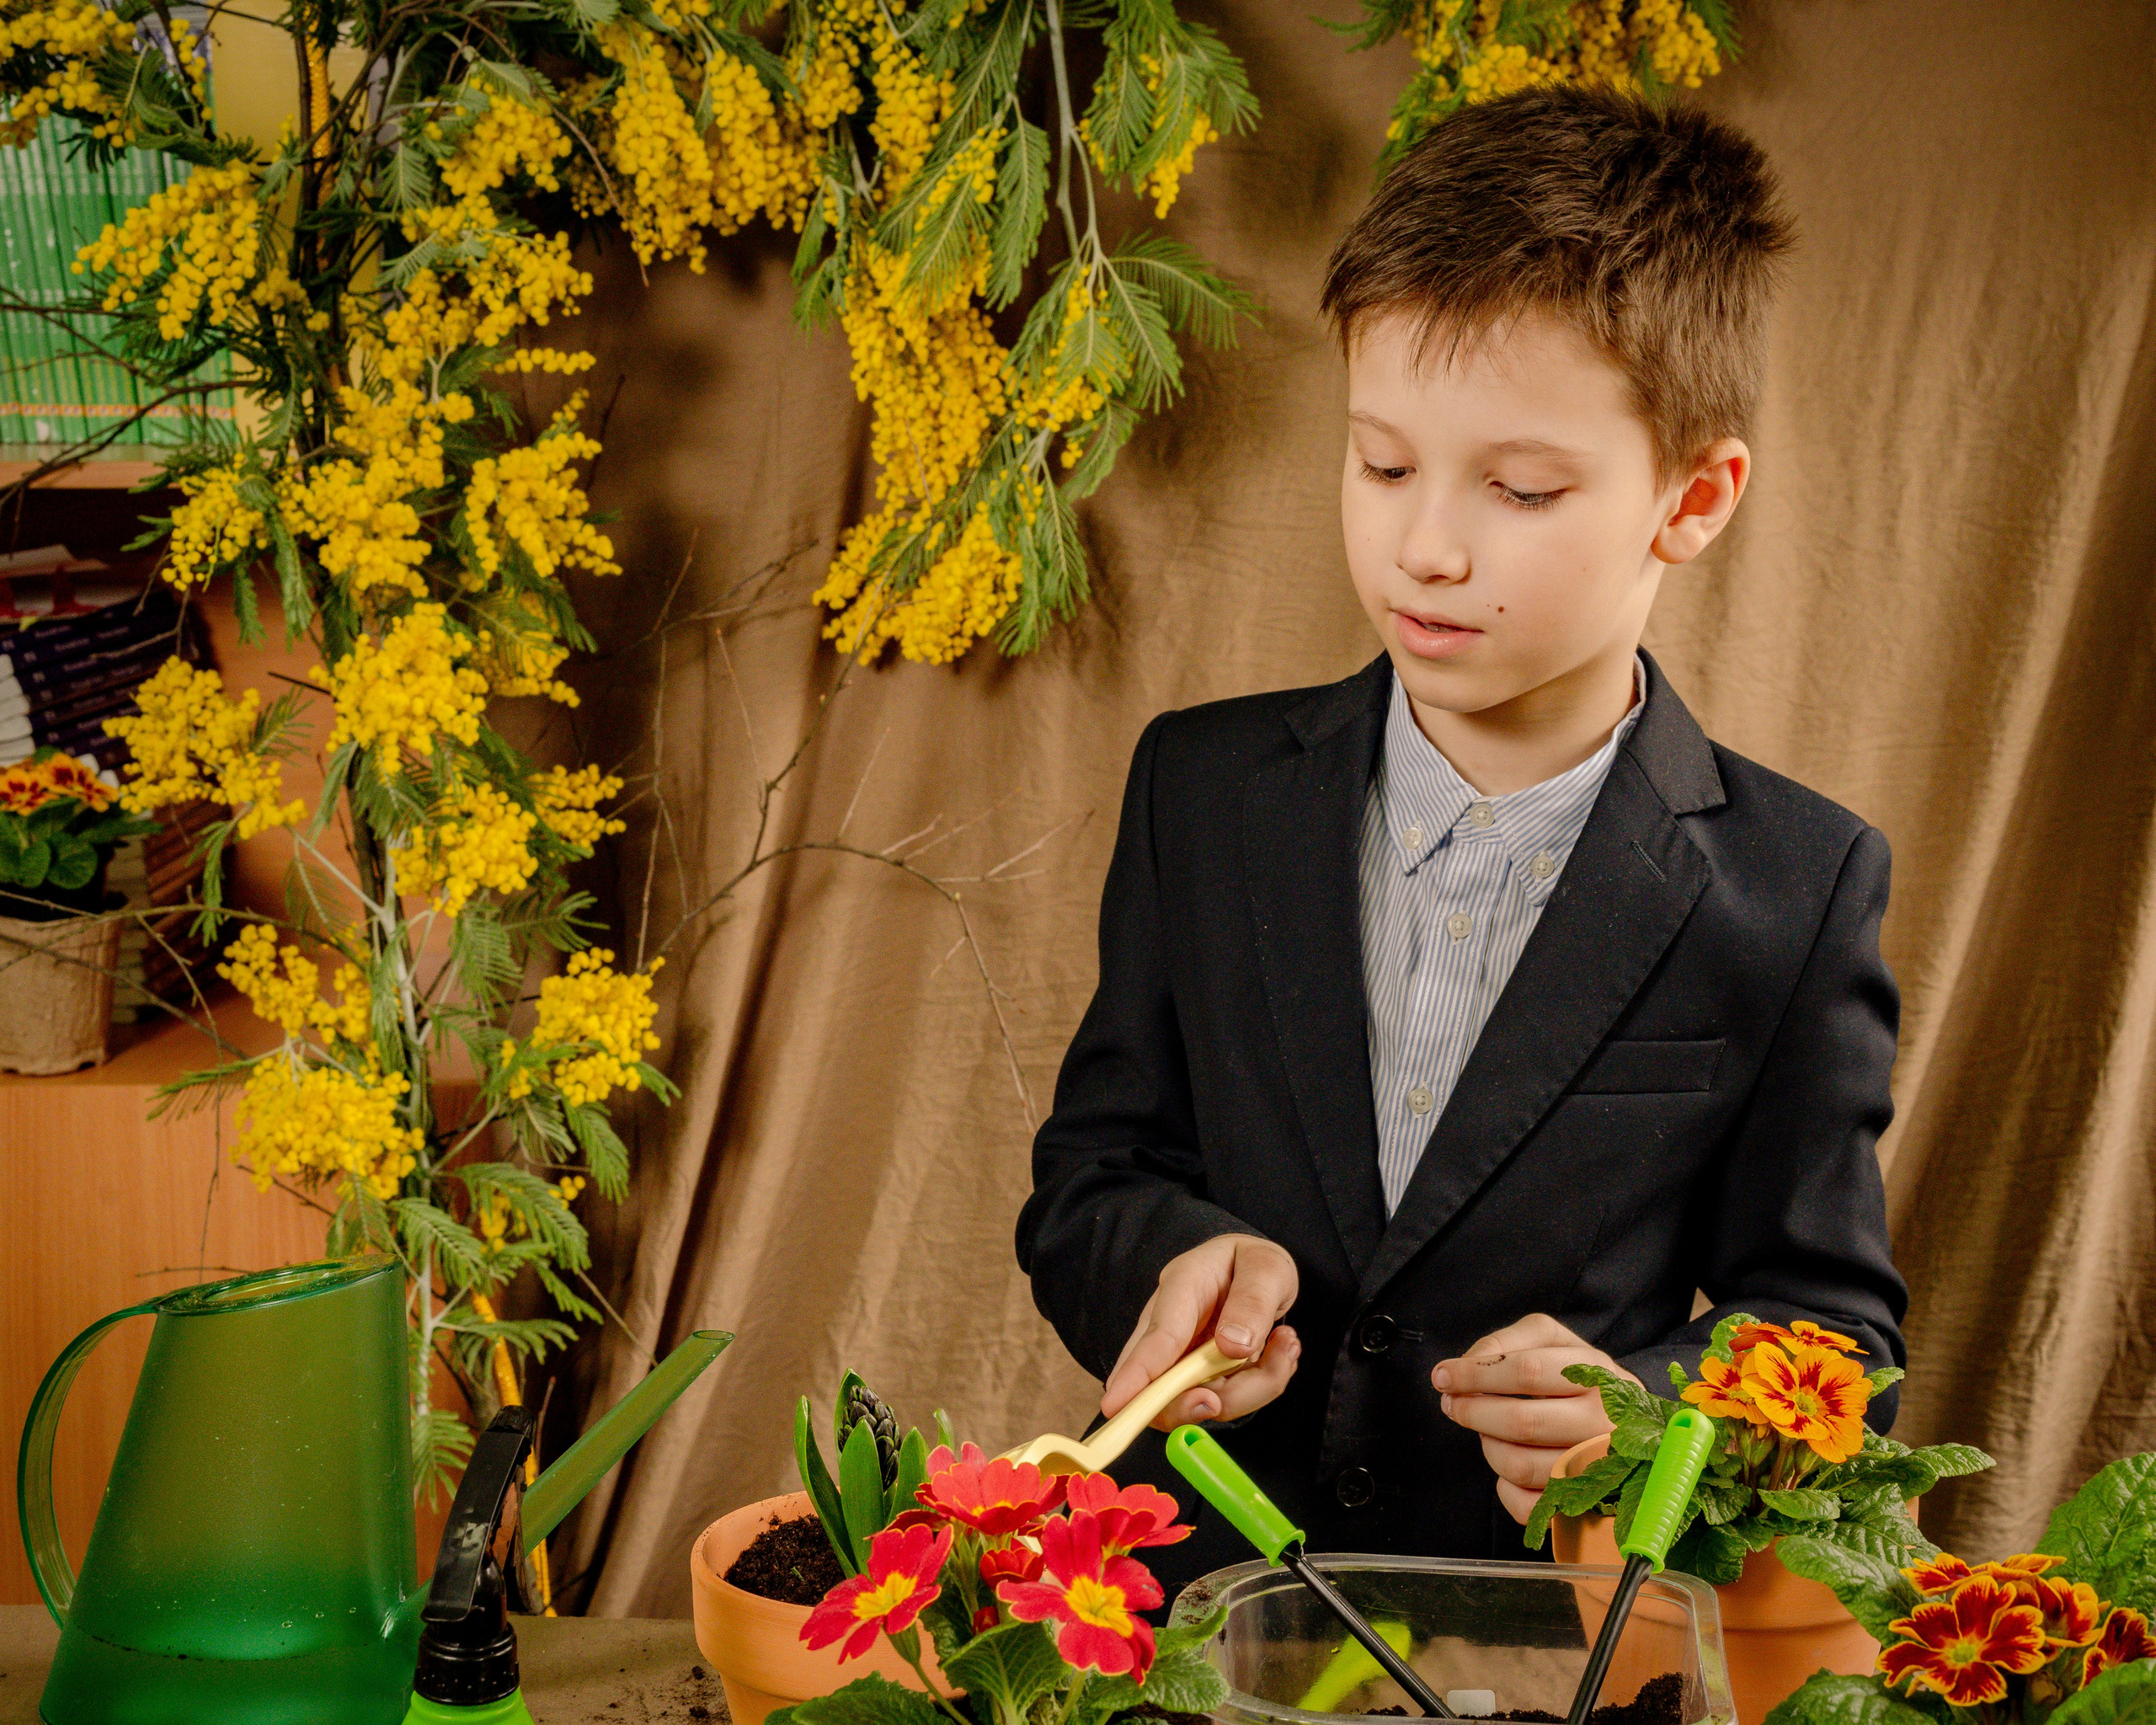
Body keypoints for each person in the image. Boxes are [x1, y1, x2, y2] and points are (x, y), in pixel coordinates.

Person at [1015, 82, 1909, 1601]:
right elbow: (1094, 1175)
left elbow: (1838, 1337)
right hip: (1192, 1617)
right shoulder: (1202, 791)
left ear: (1693, 498)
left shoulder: (1798, 883)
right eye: (1381, 465)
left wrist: (1647, 1411)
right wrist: (1168, 1260)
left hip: (1550, 1628)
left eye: (1521, 488)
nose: (1425, 547)